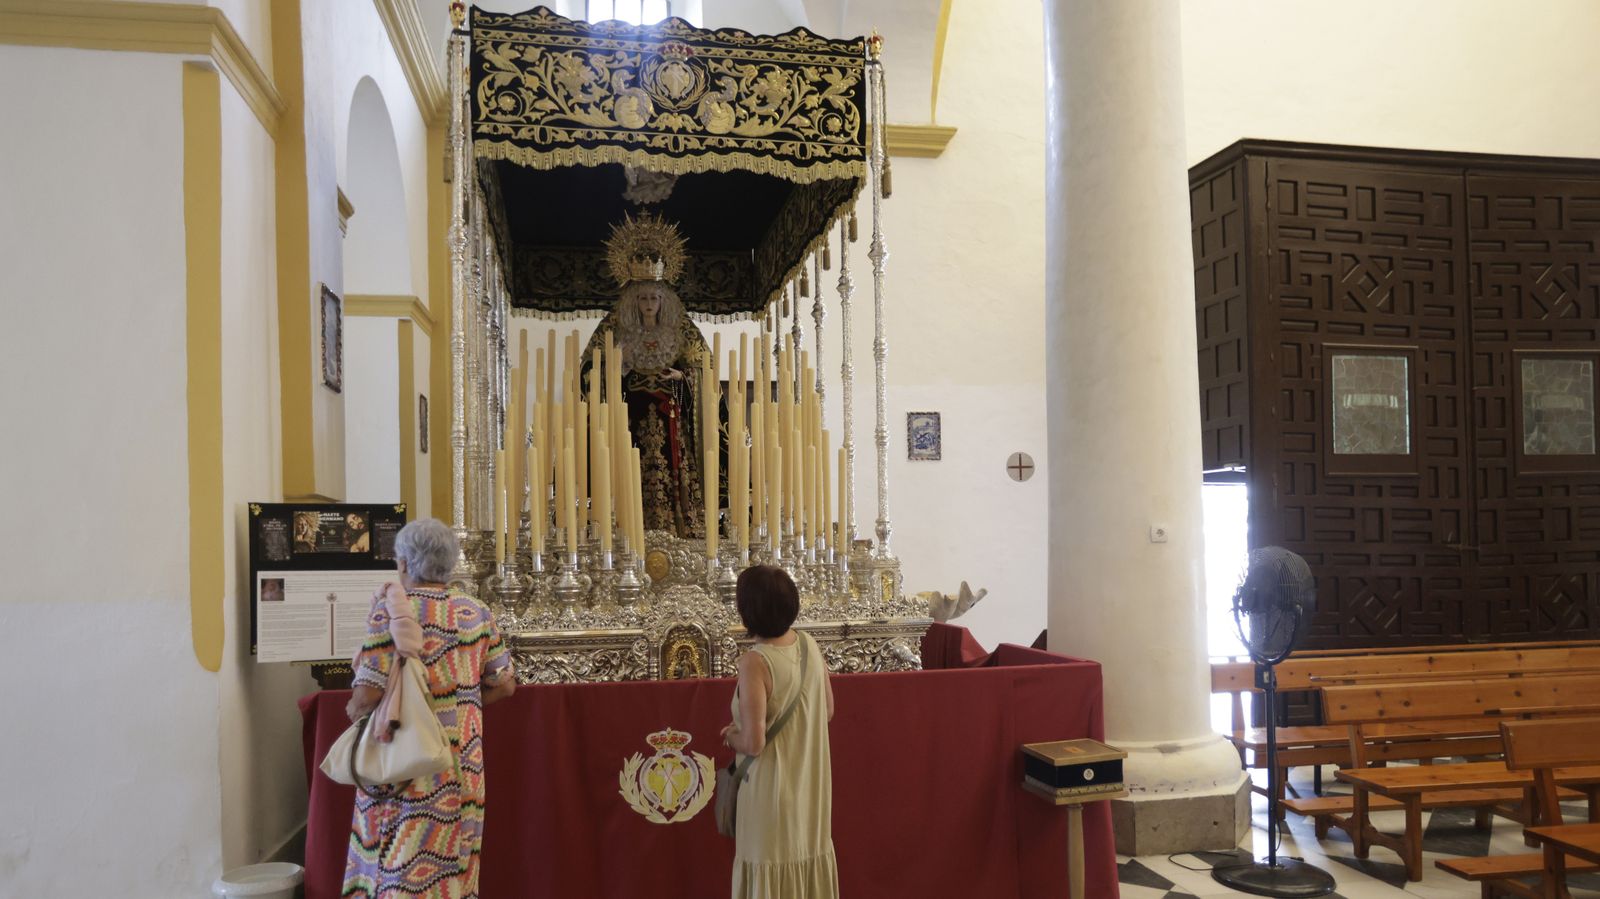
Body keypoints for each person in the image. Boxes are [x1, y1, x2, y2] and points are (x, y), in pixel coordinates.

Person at [341, 518, 517, 898]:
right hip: (461, 765)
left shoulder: (391, 610)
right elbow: (505, 685)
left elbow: (369, 694)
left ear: (404, 563)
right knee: (456, 862)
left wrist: (355, 710)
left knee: (398, 859)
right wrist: (462, 701)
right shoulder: (477, 611)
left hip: (406, 762)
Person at [583, 212, 719, 538]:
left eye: (654, 298)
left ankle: (679, 524)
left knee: (673, 468)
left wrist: (682, 377)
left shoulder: (679, 332)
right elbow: (590, 369)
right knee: (633, 469)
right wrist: (619, 364)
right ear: (633, 302)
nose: (648, 304)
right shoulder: (617, 331)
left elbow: (703, 366)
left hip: (670, 417)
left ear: (663, 302)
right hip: (632, 417)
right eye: (642, 298)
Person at [720, 566, 838, 899]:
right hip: (809, 788)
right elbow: (827, 710)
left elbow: (754, 743)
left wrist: (730, 735)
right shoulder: (810, 646)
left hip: (770, 791)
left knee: (767, 870)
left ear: (747, 611)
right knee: (806, 862)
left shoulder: (755, 662)